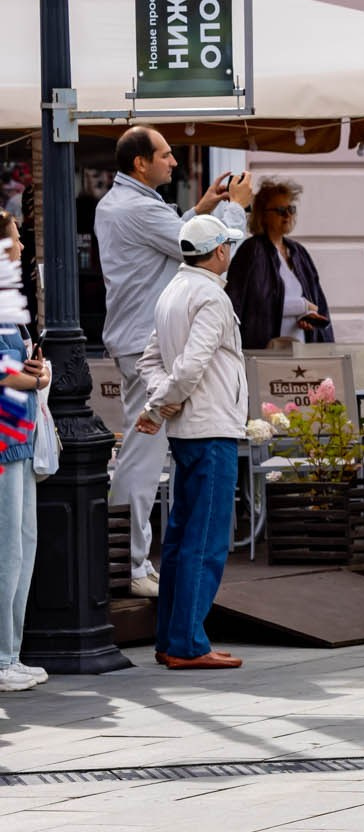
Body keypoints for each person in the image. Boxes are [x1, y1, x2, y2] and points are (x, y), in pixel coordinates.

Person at [97, 127, 246, 600]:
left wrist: (202, 208)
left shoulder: (119, 203)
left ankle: (132, 559)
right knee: (143, 459)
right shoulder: (138, 208)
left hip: (142, 340)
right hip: (149, 346)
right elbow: (210, 250)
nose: (174, 162)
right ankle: (130, 563)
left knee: (148, 455)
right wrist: (233, 207)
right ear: (140, 164)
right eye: (164, 155)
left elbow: (180, 235)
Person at [131, 213, 248, 669]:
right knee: (205, 538)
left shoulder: (172, 291)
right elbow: (192, 366)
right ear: (218, 251)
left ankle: (172, 639)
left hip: (189, 430)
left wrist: (162, 401)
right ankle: (187, 644)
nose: (230, 254)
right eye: (229, 247)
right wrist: (162, 405)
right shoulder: (210, 297)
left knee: (180, 538)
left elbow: (149, 361)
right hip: (211, 426)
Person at [0, 224, 51, 692]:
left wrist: (34, 370)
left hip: (18, 435)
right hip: (4, 438)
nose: (20, 245)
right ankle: (2, 658)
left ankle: (10, 654)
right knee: (8, 550)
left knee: (23, 545)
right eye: (14, 237)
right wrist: (33, 380)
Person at [225, 178, 334, 352]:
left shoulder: (298, 252)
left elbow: (318, 303)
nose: (287, 215)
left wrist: (308, 316)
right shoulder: (252, 251)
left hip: (300, 351)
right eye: (281, 210)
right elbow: (251, 306)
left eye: (291, 209)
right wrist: (303, 306)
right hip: (263, 353)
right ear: (263, 215)